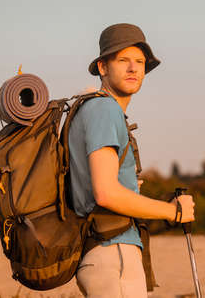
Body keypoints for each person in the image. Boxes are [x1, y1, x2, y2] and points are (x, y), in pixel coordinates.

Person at [68, 23, 196, 298]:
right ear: (103, 67)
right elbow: (105, 193)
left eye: (140, 62)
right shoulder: (104, 109)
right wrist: (173, 212)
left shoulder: (88, 108)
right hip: (113, 253)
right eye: (123, 60)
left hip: (99, 252)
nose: (134, 68)